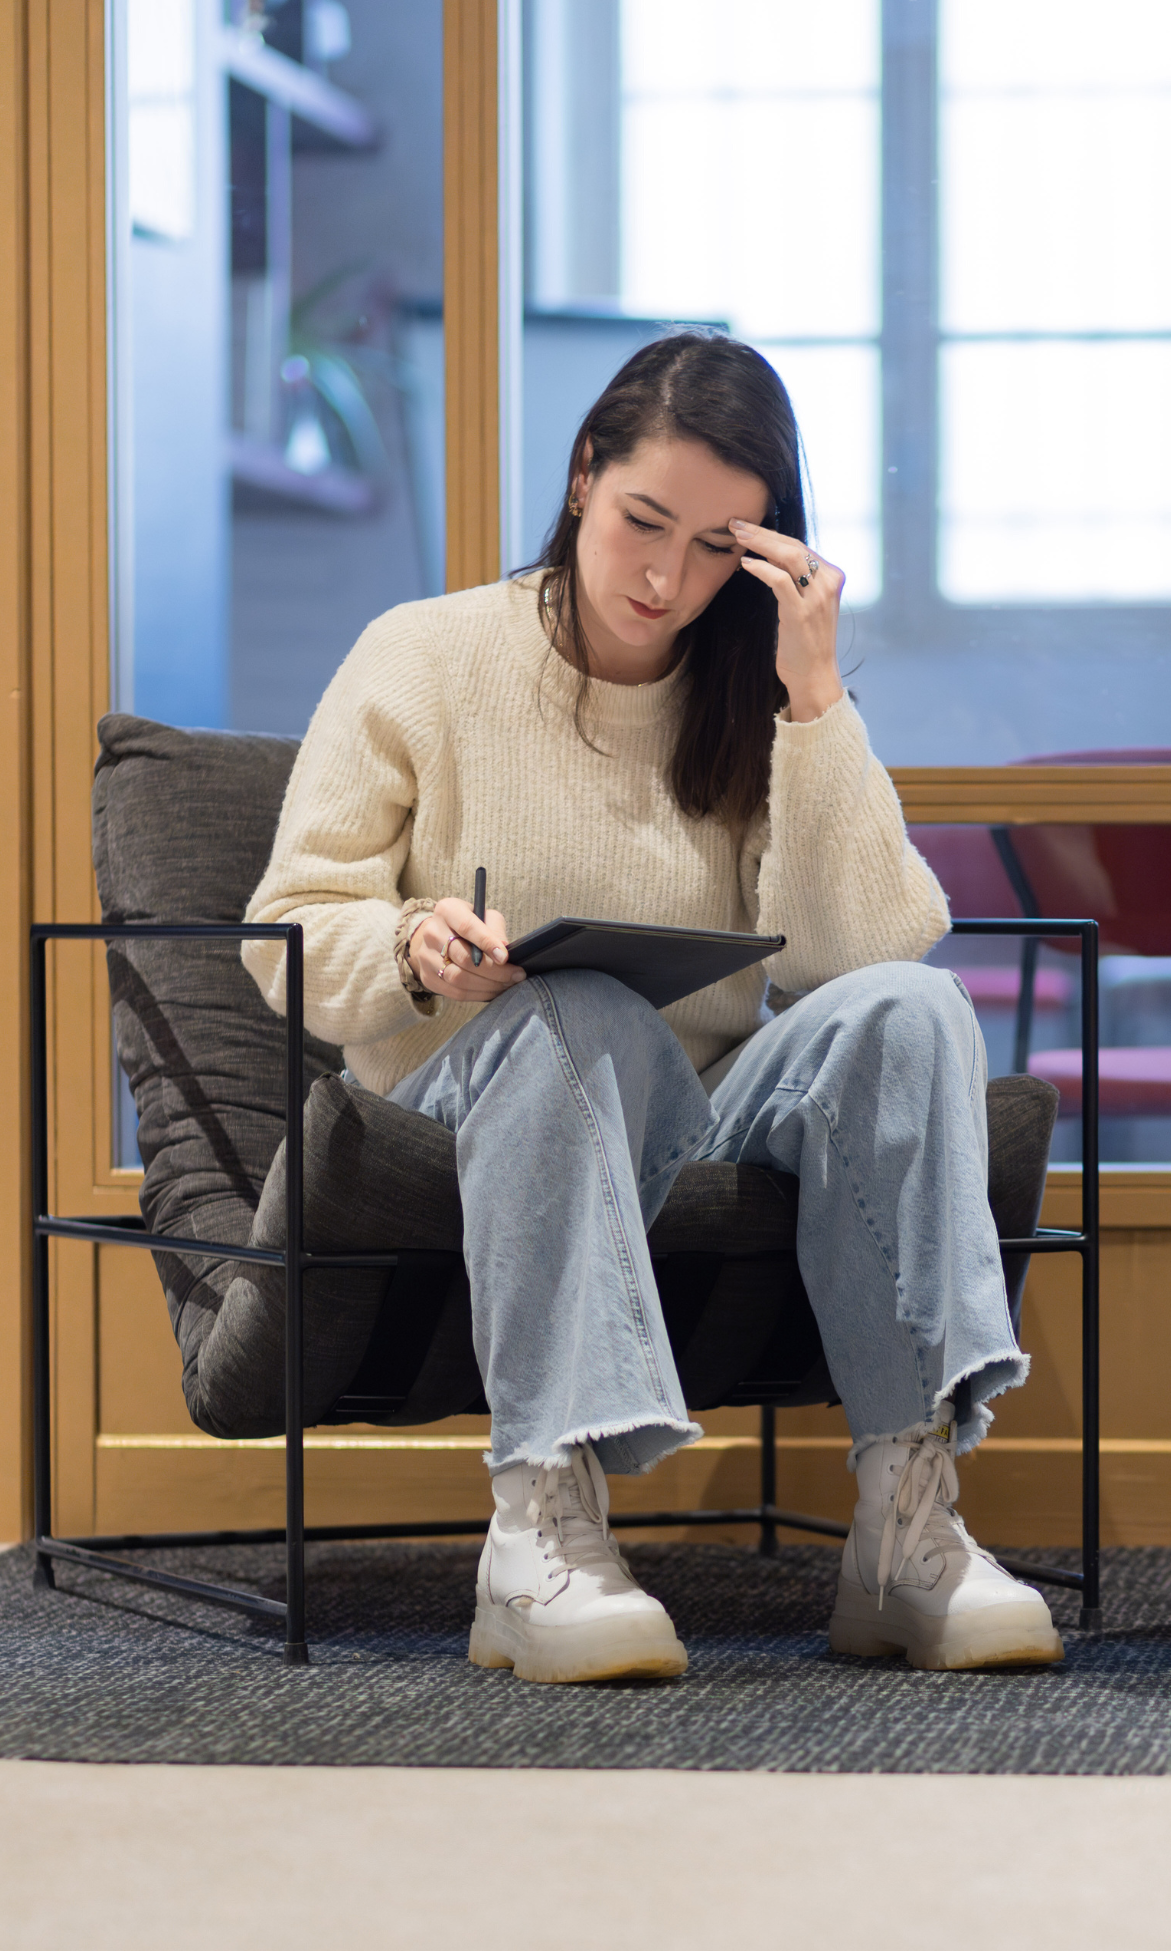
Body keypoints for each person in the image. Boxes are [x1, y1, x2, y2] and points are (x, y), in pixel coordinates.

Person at [243, 331, 1062, 1684]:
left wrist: (810, 695)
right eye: (641, 522)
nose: (665, 579)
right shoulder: (425, 657)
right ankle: (540, 1527)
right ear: (582, 481)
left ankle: (908, 1530)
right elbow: (283, 934)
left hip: (701, 1105)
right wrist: (408, 942)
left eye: (712, 547)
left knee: (914, 1016)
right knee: (581, 1014)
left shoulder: (745, 690)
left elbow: (863, 949)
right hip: (468, 1103)